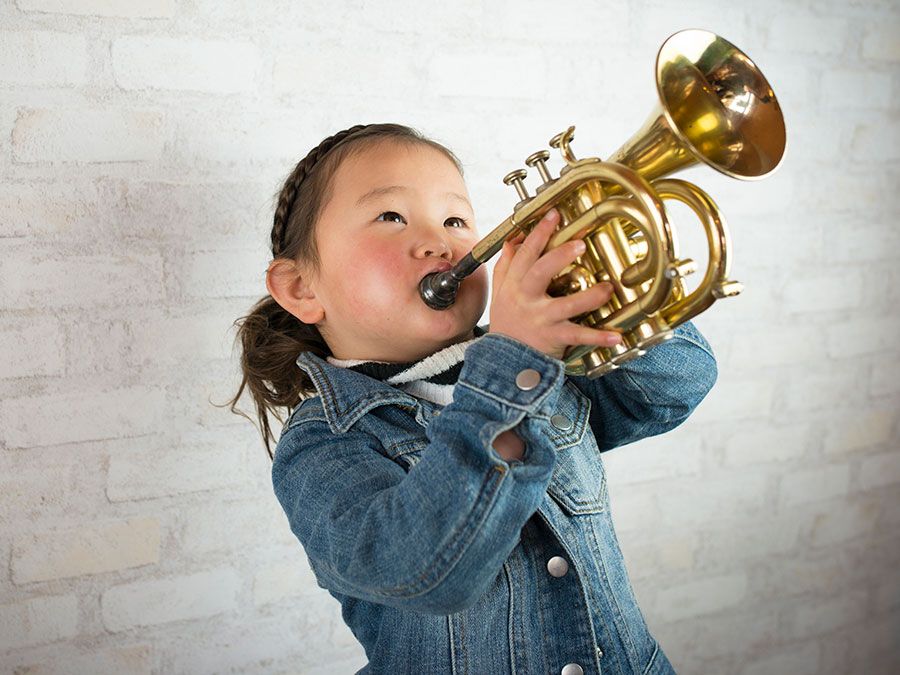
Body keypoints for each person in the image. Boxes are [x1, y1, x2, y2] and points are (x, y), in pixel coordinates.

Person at [228, 123, 717, 674]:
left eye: (456, 219)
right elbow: (427, 571)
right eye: (391, 216)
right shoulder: (320, 446)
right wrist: (513, 362)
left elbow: (676, 389)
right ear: (301, 288)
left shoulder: (544, 365)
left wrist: (600, 296)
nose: (440, 241)